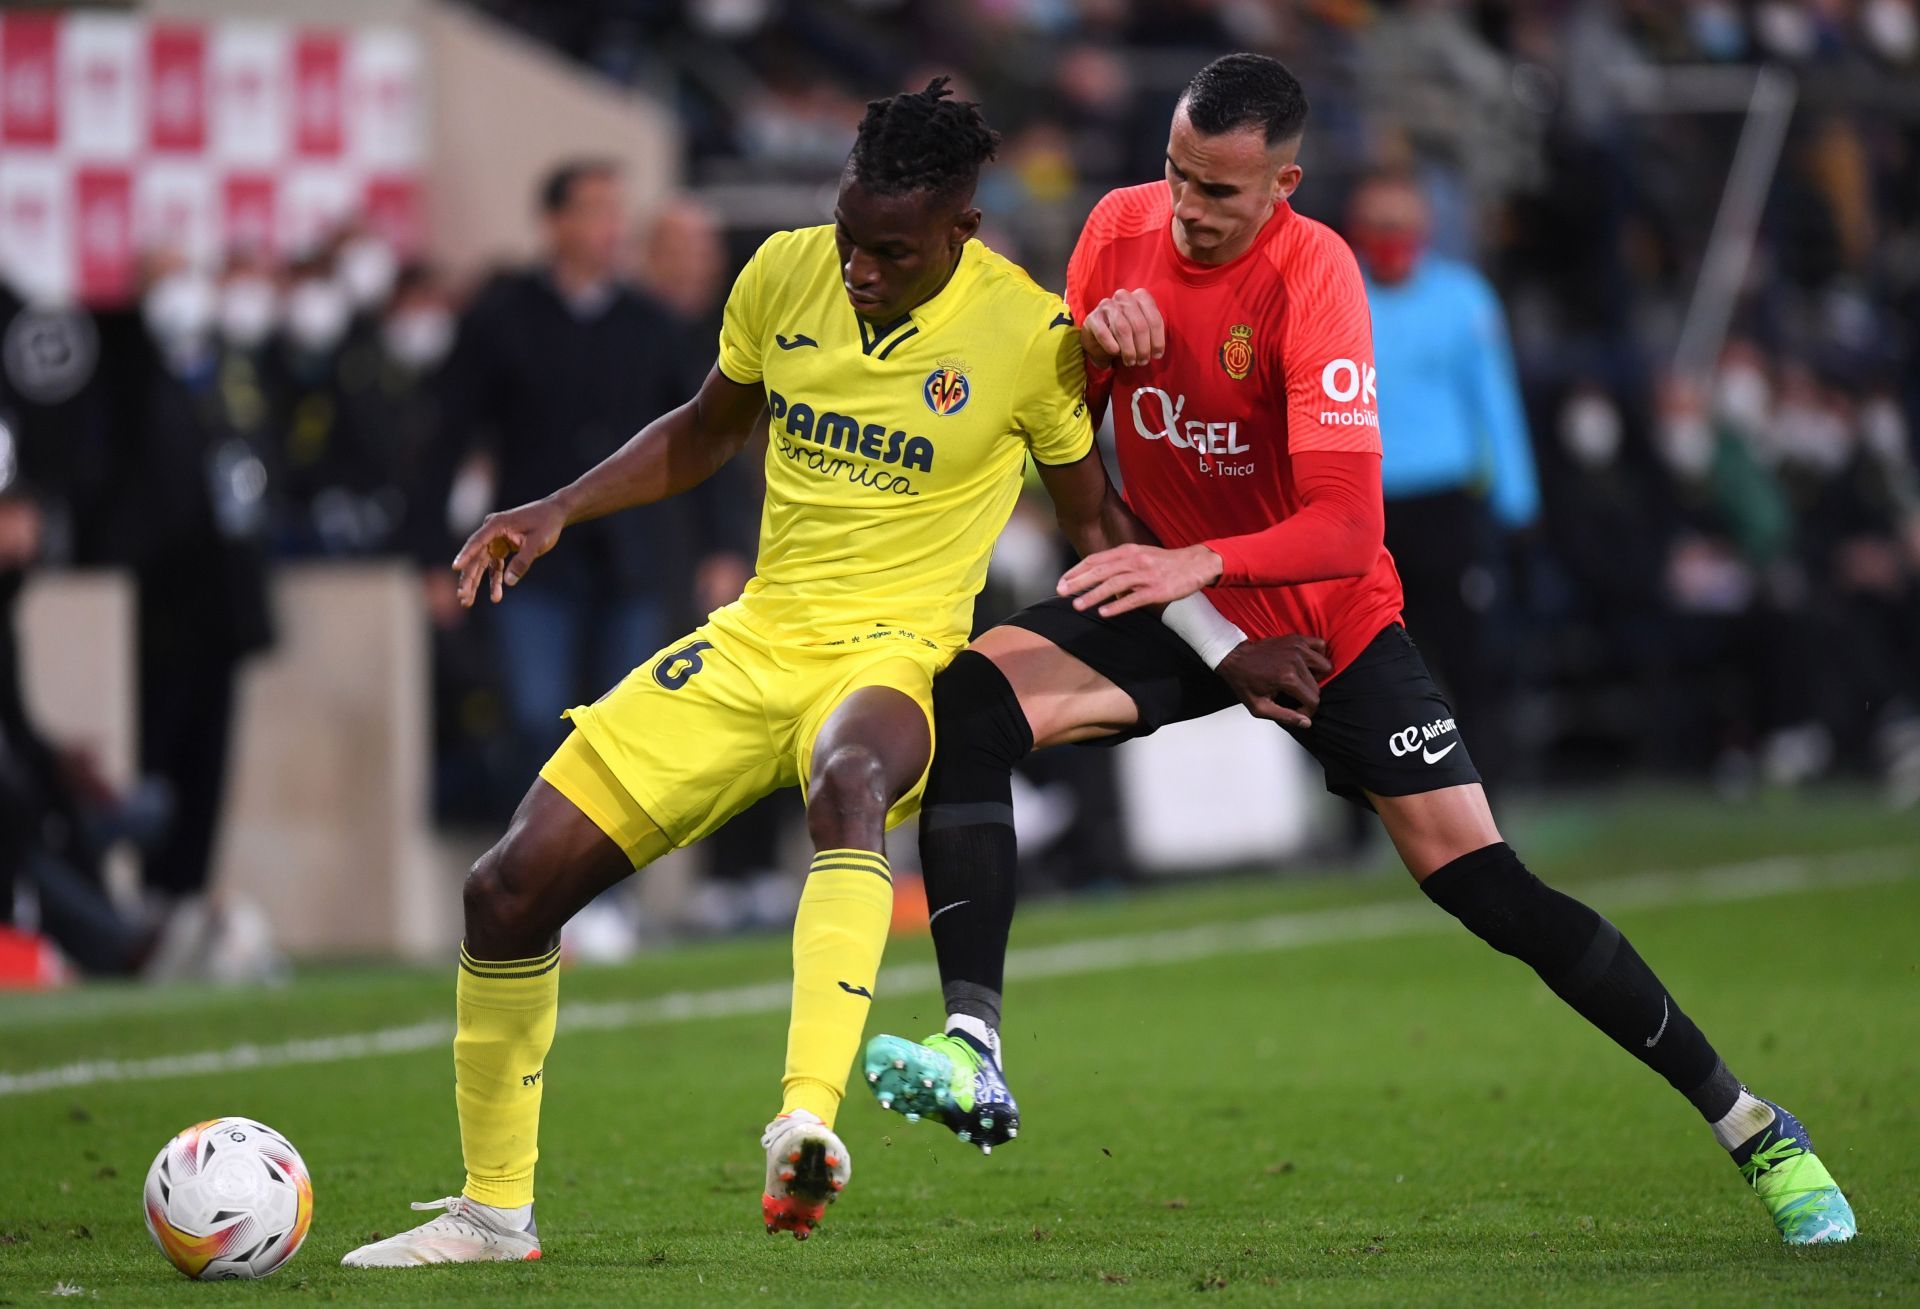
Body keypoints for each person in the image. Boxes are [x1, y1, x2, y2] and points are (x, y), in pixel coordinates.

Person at [864, 54, 1856, 1247]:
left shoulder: (1315, 278)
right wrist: (1090, 350)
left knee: (1486, 885)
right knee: (967, 699)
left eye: (1220, 192)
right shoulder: (1117, 228)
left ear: (1284, 184)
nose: (1187, 207)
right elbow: (1071, 433)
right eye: (1179, 175)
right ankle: (973, 1045)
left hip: (1324, 618)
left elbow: (1346, 525)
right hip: (1185, 604)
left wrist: (1203, 568)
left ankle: (1755, 1126)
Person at [342, 79, 1315, 1265]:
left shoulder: (1027, 337)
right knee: (504, 890)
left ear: (960, 230)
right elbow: (705, 429)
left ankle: (804, 1121)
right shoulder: (784, 273)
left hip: (898, 652)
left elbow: (1099, 530)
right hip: (757, 637)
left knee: (851, 779)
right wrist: (557, 506)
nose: (858, 267)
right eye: (850, 236)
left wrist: (1225, 645)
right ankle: (494, 1213)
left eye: (890, 253)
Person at [1347, 168, 1538, 778]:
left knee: (1469, 661)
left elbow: (1494, 400)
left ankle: (1487, 797)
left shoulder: (1463, 299)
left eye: (1399, 225)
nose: (1388, 238)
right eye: (1376, 226)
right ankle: (1370, 807)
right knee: (1361, 663)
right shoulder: (1337, 298)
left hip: (1447, 506)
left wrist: (1516, 502)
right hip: (1363, 511)